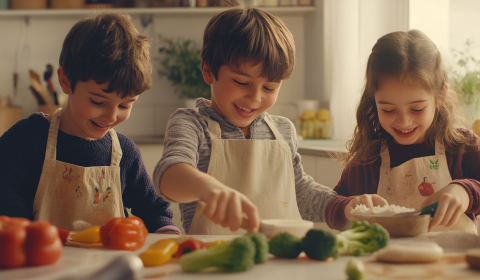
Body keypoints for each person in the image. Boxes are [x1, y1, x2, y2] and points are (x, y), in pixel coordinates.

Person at [153, 6, 337, 235]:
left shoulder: (282, 130)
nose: (255, 98)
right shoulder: (191, 124)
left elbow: (300, 191)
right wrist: (207, 188)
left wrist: (344, 207)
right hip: (216, 261)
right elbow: (168, 175)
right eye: (241, 82)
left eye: (270, 87)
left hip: (280, 261)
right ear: (208, 70)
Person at [0, 12, 180, 234]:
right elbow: (4, 192)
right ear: (66, 81)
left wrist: (166, 233)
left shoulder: (125, 153)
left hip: (109, 266)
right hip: (41, 263)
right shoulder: (27, 138)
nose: (111, 116)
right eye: (97, 101)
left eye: (124, 105)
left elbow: (155, 211)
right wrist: (25, 234)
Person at [327, 30, 480, 234]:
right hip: (386, 265)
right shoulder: (368, 160)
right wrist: (349, 207)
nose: (403, 121)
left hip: (454, 264)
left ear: (440, 97)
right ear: (373, 100)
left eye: (417, 109)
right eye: (388, 110)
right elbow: (330, 206)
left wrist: (466, 192)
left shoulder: (461, 146)